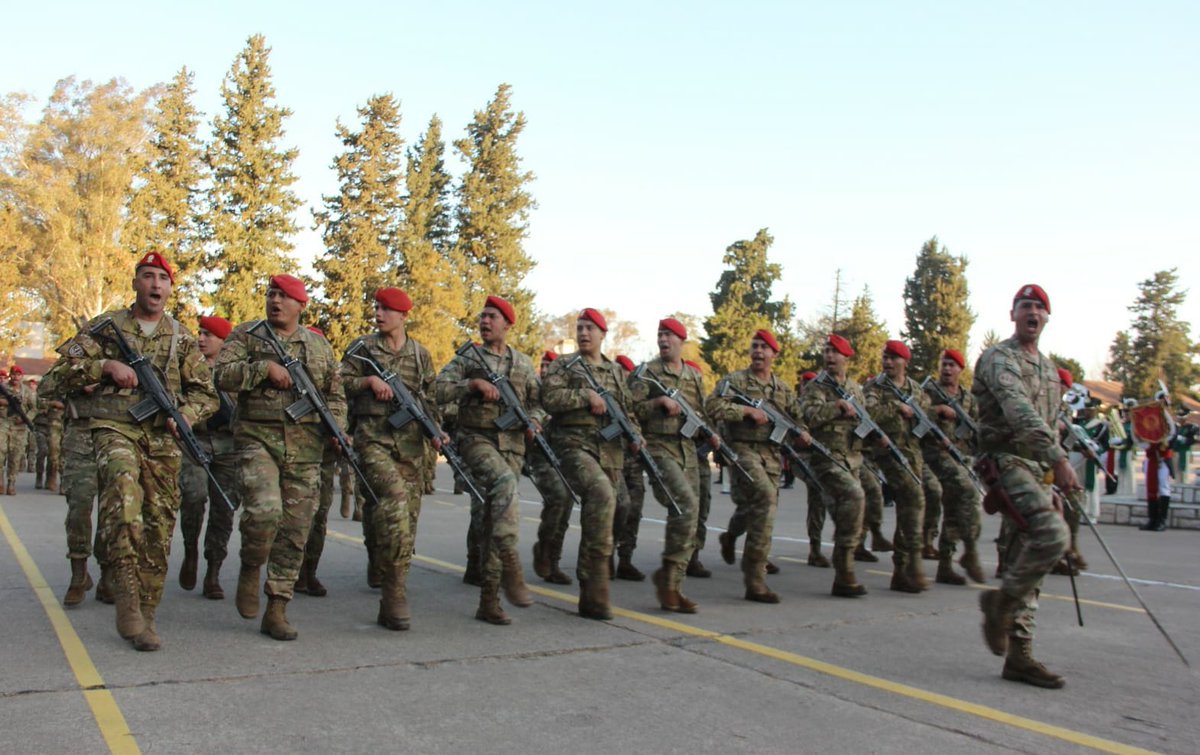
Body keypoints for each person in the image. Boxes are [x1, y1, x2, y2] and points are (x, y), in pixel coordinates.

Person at [59, 252, 217, 650]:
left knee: (160, 527)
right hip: (115, 429)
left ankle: (146, 613)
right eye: (148, 276)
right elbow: (58, 376)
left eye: (163, 279)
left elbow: (206, 394)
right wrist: (105, 366)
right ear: (135, 282)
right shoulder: (106, 327)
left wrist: (184, 413)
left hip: (163, 441)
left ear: (170, 288)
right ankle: (126, 594)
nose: (156, 285)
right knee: (124, 496)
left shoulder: (181, 338)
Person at [214, 274, 345, 641]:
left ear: (300, 306)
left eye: (285, 297)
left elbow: (335, 396)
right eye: (271, 294)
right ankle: (251, 564)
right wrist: (262, 370)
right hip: (258, 440)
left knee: (294, 531)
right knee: (264, 511)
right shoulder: (247, 335)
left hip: (305, 450)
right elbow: (219, 375)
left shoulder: (320, 348)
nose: (276, 301)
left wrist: (339, 428)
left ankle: (277, 606)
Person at [975, 284, 1077, 689]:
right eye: (1025, 306)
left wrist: (1051, 476)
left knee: (1024, 554)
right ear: (1012, 314)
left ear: (1047, 318)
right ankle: (998, 604)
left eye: (1039, 307)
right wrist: (1059, 459)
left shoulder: (1050, 370)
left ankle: (1019, 656)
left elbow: (1049, 423)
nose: (1032, 312)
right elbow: (1018, 412)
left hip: (1036, 470)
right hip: (1006, 461)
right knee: (1053, 535)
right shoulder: (999, 358)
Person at [437, 295, 543, 625]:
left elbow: (539, 402)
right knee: (504, 486)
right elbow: (438, 388)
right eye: (482, 316)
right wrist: (471, 384)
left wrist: (536, 420)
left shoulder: (523, 364)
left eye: (492, 317)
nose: (485, 322)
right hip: (475, 439)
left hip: (511, 447)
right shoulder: (468, 357)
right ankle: (509, 561)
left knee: (492, 513)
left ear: (508, 324)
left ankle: (488, 596)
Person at [341, 287, 438, 631]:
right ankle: (394, 595)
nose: (379, 314)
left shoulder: (419, 354)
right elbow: (336, 382)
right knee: (394, 500)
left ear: (402, 316)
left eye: (386, 309)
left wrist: (437, 431)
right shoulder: (362, 348)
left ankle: (382, 562)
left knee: (406, 520)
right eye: (377, 308)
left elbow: (430, 397)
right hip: (372, 440)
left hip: (410, 447)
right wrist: (367, 381)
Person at [541, 308, 641, 619]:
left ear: (602, 334)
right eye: (580, 328)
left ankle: (600, 570)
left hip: (610, 453)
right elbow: (549, 398)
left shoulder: (614, 372)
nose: (584, 333)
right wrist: (584, 395)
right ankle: (594, 587)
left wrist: (637, 434)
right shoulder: (564, 365)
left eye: (590, 328)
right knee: (600, 494)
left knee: (619, 505)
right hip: (573, 446)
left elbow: (628, 411)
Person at [705, 329, 809, 604]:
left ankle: (730, 537)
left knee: (755, 508)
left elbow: (797, 419)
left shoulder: (783, 390)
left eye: (765, 347)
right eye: (755, 346)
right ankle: (755, 579)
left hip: (772, 456)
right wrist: (745, 411)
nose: (759, 352)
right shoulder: (736, 381)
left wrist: (803, 433)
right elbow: (712, 406)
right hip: (741, 451)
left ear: (775, 354)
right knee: (764, 498)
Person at [630, 318, 717, 613]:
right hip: (659, 448)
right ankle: (669, 581)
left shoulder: (692, 377)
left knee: (689, 518)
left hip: (688, 452)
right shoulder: (647, 373)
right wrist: (657, 404)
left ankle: (673, 585)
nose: (663, 340)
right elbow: (630, 410)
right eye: (660, 335)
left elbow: (701, 413)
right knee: (685, 507)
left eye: (669, 335)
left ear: (682, 341)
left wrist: (712, 433)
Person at [798, 334, 868, 597]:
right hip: (826, 458)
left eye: (835, 352)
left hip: (853, 459)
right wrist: (836, 407)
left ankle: (842, 574)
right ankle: (845, 569)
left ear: (846, 358)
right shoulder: (816, 387)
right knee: (855, 495)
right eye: (826, 351)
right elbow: (808, 417)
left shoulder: (856, 388)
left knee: (850, 513)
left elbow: (862, 424)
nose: (829, 356)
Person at [177, 315, 240, 599]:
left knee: (223, 510)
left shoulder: (237, 371)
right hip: (195, 442)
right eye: (200, 333)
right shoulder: (187, 369)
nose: (201, 339)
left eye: (209, 335)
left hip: (229, 446)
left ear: (224, 342)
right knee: (193, 496)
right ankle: (190, 549)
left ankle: (213, 570)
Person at [863, 340, 930, 593]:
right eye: (885, 357)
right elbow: (867, 412)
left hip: (913, 455)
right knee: (914, 499)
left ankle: (902, 570)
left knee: (911, 507)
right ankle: (913, 562)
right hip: (885, 452)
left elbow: (926, 420)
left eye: (894, 358)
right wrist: (895, 407)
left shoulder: (917, 390)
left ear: (905, 362)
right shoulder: (876, 387)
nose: (888, 362)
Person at [38, 355, 105, 606]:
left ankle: (108, 572)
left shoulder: (129, 350)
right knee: (79, 506)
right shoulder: (78, 355)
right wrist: (78, 382)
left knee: (115, 512)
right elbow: (47, 386)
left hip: (120, 434)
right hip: (80, 436)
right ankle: (78, 573)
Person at [922, 349, 986, 585]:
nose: (947, 369)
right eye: (944, 364)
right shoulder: (928, 392)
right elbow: (912, 415)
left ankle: (945, 565)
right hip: (932, 455)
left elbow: (977, 428)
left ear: (961, 369)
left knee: (954, 507)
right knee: (968, 492)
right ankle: (970, 550)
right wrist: (936, 411)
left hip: (960, 457)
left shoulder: (968, 400)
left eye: (952, 365)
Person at [529, 350, 576, 585]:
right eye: (543, 365)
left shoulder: (561, 392)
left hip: (561, 454)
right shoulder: (533, 388)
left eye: (550, 366)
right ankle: (544, 550)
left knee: (565, 504)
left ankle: (552, 561)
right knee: (558, 496)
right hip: (537, 455)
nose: (545, 370)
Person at [612, 354, 647, 581]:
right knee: (618, 506)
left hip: (632, 460)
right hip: (613, 457)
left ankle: (625, 559)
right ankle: (606, 553)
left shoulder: (633, 397)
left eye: (628, 374)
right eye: (622, 373)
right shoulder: (611, 395)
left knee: (635, 508)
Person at [1, 366, 37, 494]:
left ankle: (11, 483)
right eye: (14, 374)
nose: (16, 377)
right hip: (3, 423)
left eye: (18, 375)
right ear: (10, 375)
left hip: (19, 427)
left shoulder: (26, 391)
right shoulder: (3, 389)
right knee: (0, 453)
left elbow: (34, 408)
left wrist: (25, 418)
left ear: (21, 376)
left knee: (15, 456)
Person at [34, 379, 64, 492]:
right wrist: (53, 404)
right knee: (53, 452)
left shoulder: (81, 379)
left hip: (72, 422)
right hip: (54, 421)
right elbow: (39, 401)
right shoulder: (50, 380)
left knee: (67, 454)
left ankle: (64, 482)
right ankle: (50, 477)